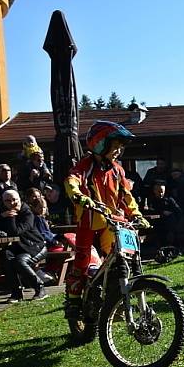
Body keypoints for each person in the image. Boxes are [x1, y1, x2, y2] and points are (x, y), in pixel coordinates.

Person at [63, 120, 151, 319]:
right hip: (88, 220)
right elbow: (72, 180)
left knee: (120, 259)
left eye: (121, 148)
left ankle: (115, 299)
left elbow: (127, 197)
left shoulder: (118, 170)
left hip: (112, 222)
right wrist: (78, 195)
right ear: (100, 144)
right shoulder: (86, 164)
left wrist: (136, 214)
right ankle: (74, 303)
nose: (118, 151)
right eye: (115, 147)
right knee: (81, 262)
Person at [0, 189, 48, 301]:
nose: (11, 203)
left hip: (36, 247)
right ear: (3, 202)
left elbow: (15, 232)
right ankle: (16, 293)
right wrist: (2, 216)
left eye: (14, 200)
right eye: (7, 201)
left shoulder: (27, 213)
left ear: (19, 199)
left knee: (20, 260)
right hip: (19, 248)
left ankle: (40, 288)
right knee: (7, 256)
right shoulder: (3, 212)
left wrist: (11, 216)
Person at [144, 181, 182, 248]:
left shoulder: (169, 200)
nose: (161, 193)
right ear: (154, 191)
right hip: (155, 222)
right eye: (159, 191)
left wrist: (170, 213)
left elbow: (178, 210)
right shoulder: (151, 200)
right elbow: (149, 210)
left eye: (162, 191)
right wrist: (161, 212)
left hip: (169, 223)